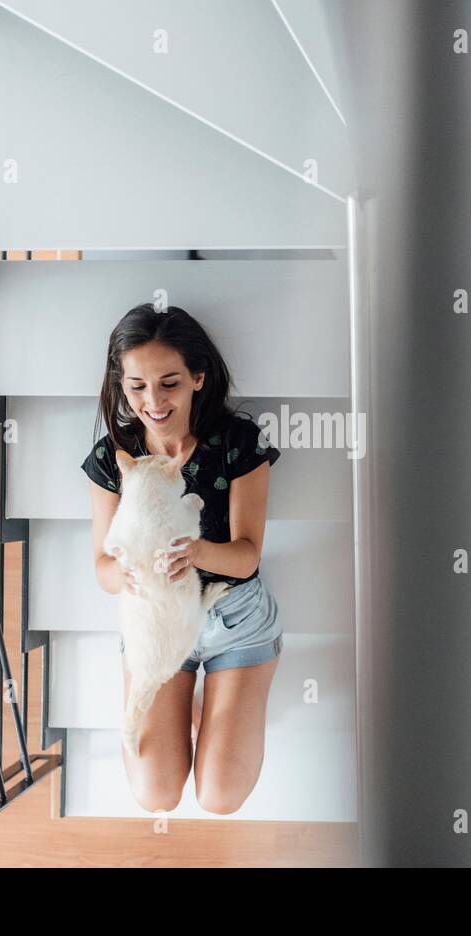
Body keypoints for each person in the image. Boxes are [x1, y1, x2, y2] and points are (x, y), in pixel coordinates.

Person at [81, 303, 283, 815]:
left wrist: (195, 553)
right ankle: (194, 704)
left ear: (198, 377)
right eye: (137, 386)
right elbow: (103, 570)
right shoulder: (114, 457)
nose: (153, 401)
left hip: (233, 618)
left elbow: (246, 559)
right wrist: (124, 572)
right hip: (157, 624)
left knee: (220, 797)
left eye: (169, 383)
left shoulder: (237, 443)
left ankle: (221, 699)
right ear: (121, 386)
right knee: (156, 795)